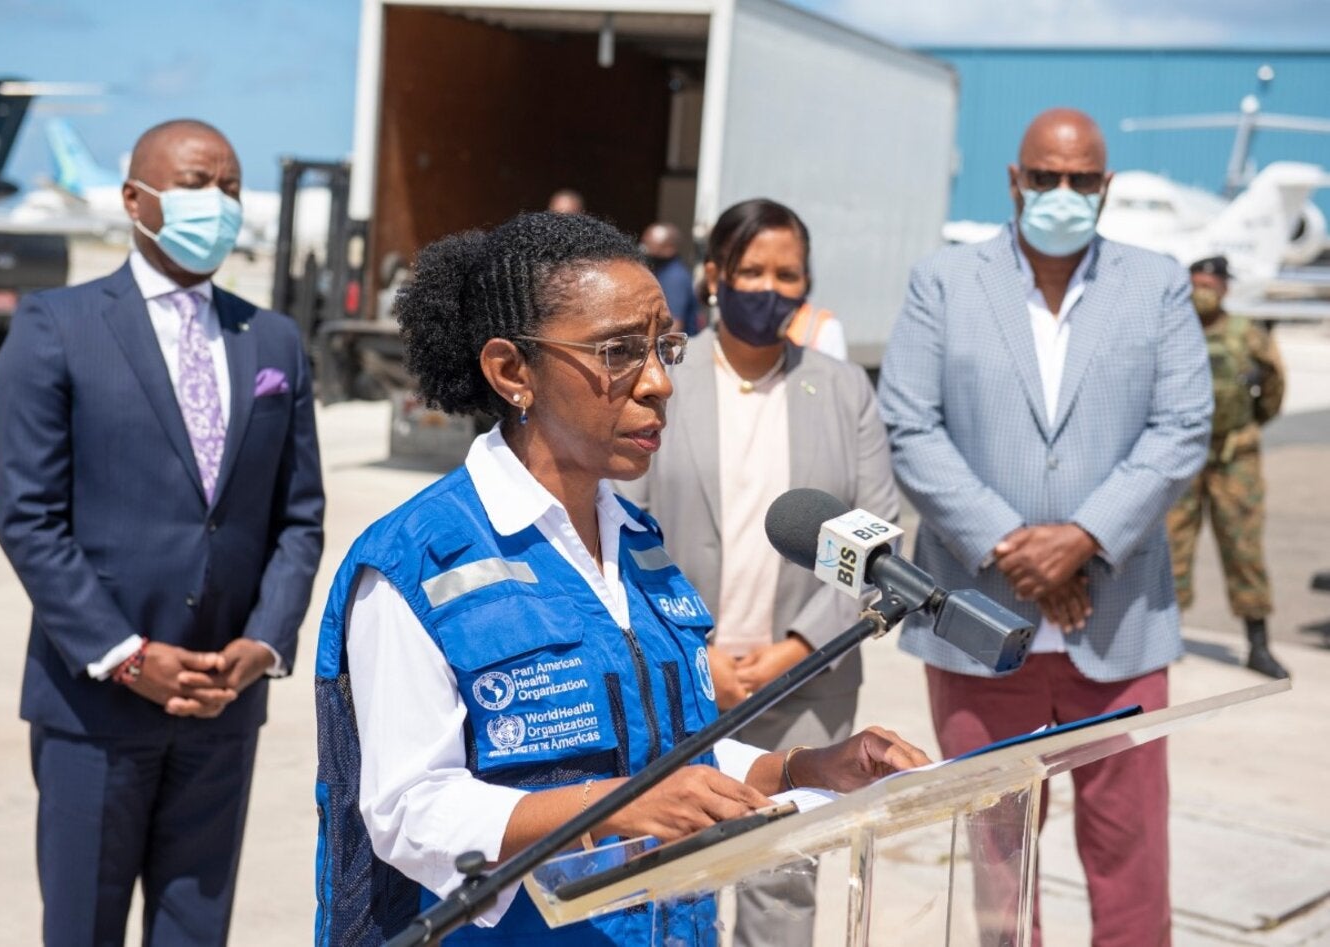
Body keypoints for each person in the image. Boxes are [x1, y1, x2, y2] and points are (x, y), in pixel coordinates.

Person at [313, 210, 930, 945]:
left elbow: (670, 751)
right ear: (514, 371)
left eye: (665, 347)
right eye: (618, 352)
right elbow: (409, 811)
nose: (660, 382)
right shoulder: (415, 562)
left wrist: (801, 767)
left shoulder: (638, 545)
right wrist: (614, 807)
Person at [877, 108, 1212, 947]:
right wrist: (1012, 544)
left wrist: (1084, 538)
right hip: (981, 621)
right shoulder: (943, 283)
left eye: (1082, 180)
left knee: (1130, 855)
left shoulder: (1158, 282)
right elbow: (911, 426)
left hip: (1119, 622)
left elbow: (1181, 427)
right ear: (1015, 181)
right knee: (997, 862)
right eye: (1046, 177)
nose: (1063, 194)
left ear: (1106, 187)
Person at [0, 119, 325, 947]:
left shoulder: (273, 338)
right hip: (96, 700)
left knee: (194, 932)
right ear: (136, 200)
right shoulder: (55, 325)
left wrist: (266, 641)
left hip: (223, 698)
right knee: (83, 930)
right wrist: (124, 653)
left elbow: (299, 515)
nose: (220, 203)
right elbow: (28, 516)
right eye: (198, 184)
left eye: (232, 187)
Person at [624, 197, 900, 946]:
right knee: (670, 880)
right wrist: (691, 654)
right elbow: (617, 527)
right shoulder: (658, 379)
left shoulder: (844, 390)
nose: (768, 288)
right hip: (680, 677)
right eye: (751, 270)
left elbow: (878, 543)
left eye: (788, 274)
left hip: (807, 684)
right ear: (715, 274)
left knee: (783, 888)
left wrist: (798, 649)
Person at [1167, 255, 1289, 679]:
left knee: (1244, 549)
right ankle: (1166, 637)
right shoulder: (1172, 329)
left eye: (1211, 284)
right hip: (1181, 455)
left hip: (1234, 458)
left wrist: (1246, 428)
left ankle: (1258, 642)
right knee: (1170, 548)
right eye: (1198, 282)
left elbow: (1273, 387)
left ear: (1224, 288)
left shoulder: (1246, 334)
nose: (1204, 291)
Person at [640, 221, 702, 335]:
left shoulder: (674, 277)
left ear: (669, 248)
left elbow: (673, 325)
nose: (644, 249)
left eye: (650, 245)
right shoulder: (660, 271)